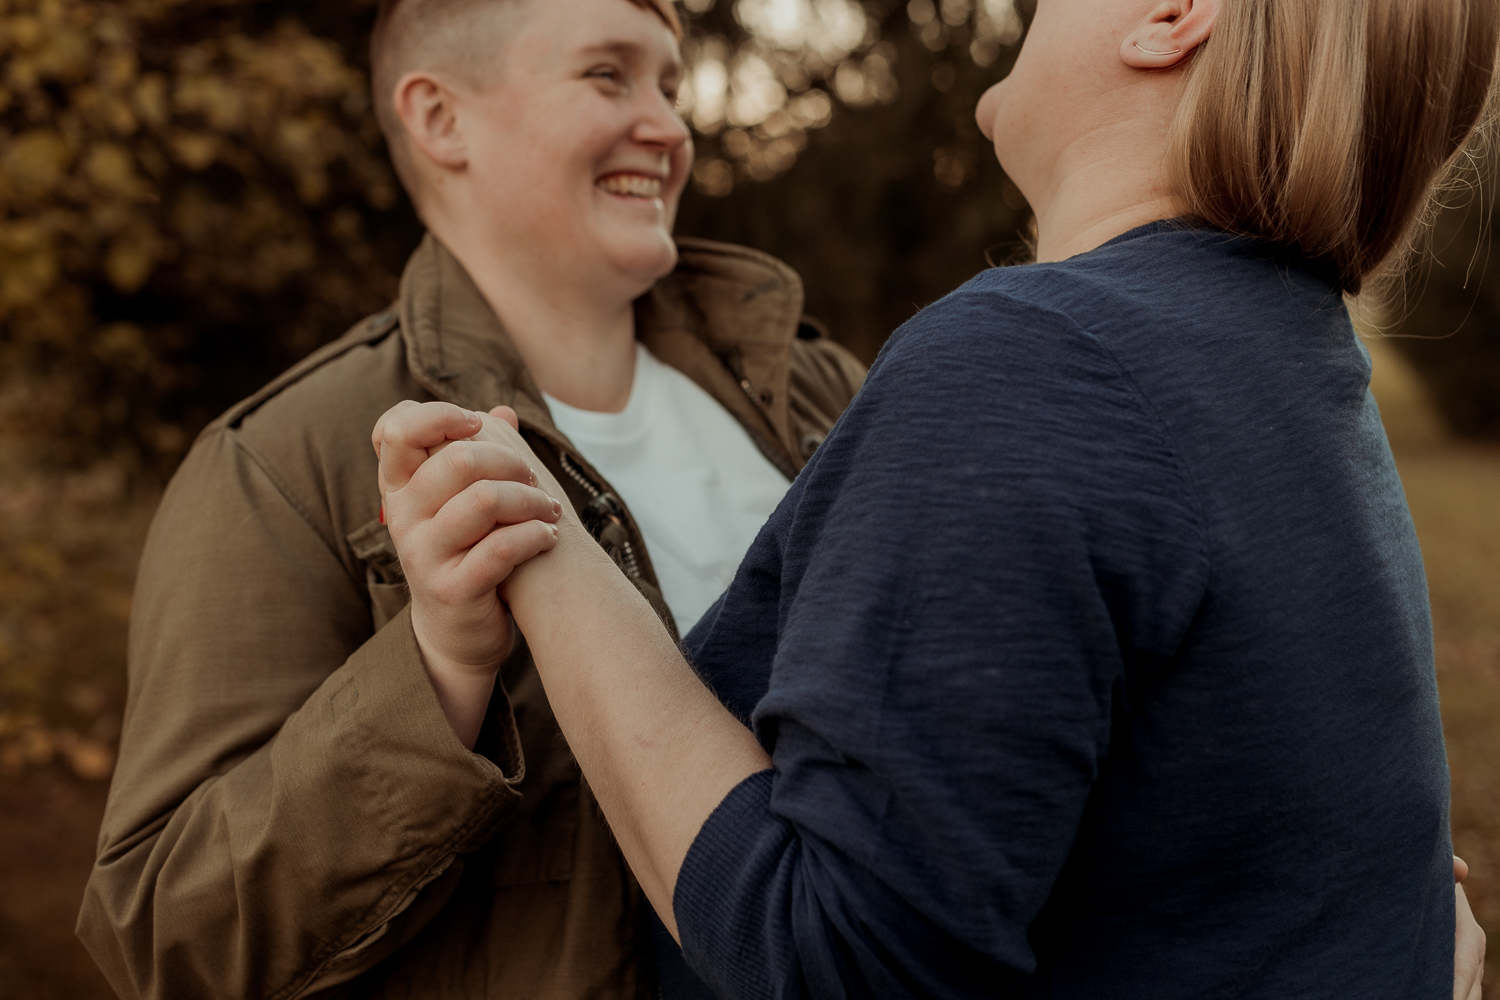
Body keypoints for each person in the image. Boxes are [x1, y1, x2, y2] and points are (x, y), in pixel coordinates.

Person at [374, 0, 1496, 996]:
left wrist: (544, 541)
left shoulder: (1035, 360)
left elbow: (831, 957)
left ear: (1169, 15)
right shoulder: (1290, 361)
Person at [75, 0, 863, 996]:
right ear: (440, 118)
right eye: (608, 76)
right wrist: (438, 673)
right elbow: (164, 936)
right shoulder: (280, 461)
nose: (670, 127)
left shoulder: (824, 392)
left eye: (671, 85)